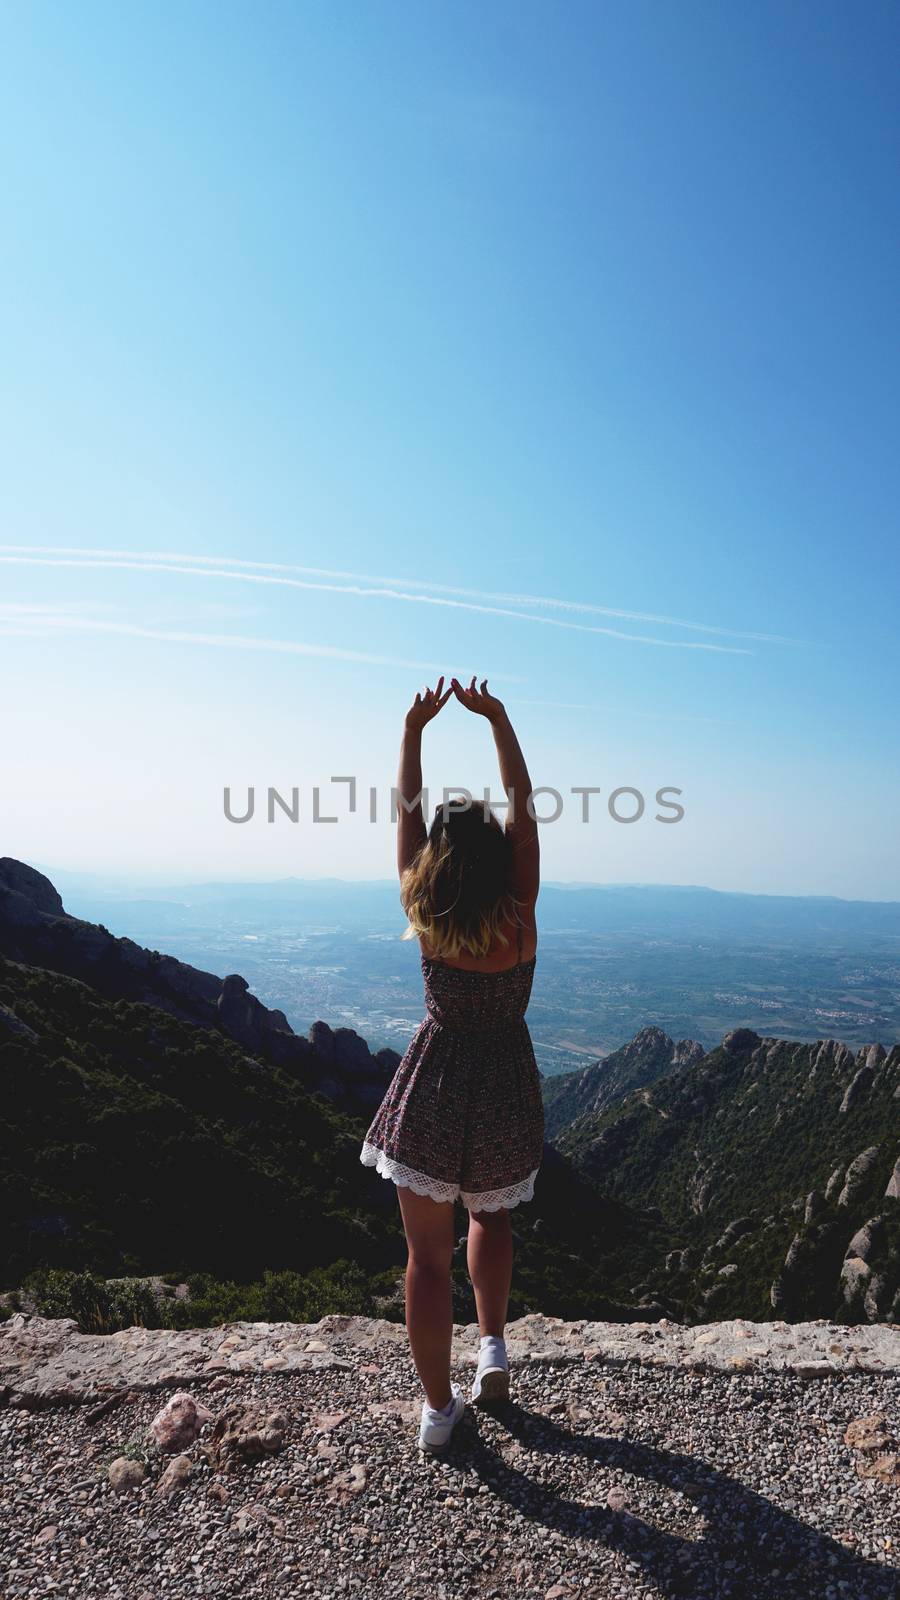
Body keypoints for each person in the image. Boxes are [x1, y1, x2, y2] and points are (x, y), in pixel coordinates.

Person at [360, 675, 545, 1453]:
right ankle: (493, 1345)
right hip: (504, 1083)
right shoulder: (520, 914)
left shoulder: (423, 910)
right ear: (499, 854)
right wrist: (499, 720)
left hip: (433, 1086)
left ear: (436, 856)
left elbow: (406, 813)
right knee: (491, 1215)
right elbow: (524, 804)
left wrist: (413, 733)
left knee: (424, 1261)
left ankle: (439, 1412)